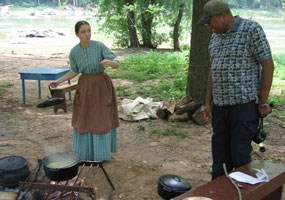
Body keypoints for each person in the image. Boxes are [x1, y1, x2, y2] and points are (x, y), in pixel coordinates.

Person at [198, 0, 274, 179]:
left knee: (240, 154)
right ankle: (218, 191)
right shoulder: (215, 37)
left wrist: (263, 101)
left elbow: (268, 65)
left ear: (223, 16)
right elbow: (213, 70)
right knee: (219, 153)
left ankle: (241, 193)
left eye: (210, 21)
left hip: (244, 106)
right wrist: (208, 102)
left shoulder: (251, 30)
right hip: (220, 106)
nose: (209, 26)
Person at [49, 20, 120, 162]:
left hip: (101, 85)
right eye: (83, 32)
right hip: (85, 87)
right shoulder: (75, 52)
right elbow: (74, 71)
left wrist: (110, 63)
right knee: (84, 117)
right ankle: (84, 154)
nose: (87, 34)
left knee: (101, 117)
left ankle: (102, 155)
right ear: (77, 34)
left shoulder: (99, 46)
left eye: (89, 30)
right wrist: (58, 81)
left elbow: (116, 63)